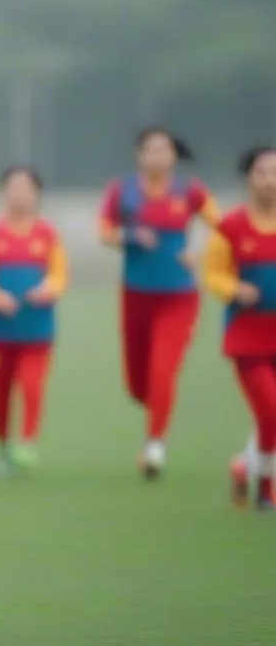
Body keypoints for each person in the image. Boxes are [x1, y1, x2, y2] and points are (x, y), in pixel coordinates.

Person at [99, 127, 220, 478]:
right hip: (136, 295)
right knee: (139, 384)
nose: (156, 156)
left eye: (163, 150)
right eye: (149, 150)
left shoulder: (191, 191)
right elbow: (104, 230)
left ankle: (154, 445)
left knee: (163, 370)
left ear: (174, 156)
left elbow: (224, 227)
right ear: (139, 155)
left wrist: (200, 252)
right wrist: (131, 235)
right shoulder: (122, 192)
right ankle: (159, 408)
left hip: (180, 297)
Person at [0, 166, 68, 471]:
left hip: (37, 329)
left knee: (32, 384)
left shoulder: (47, 233)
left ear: (37, 194)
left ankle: (27, 441)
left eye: (26, 188)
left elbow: (60, 274)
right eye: (13, 187)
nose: (20, 194)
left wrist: (47, 289)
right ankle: (3, 445)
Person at [202, 147, 276, 510]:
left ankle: (243, 465)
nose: (270, 180)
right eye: (263, 172)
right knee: (270, 412)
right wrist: (234, 289)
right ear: (248, 177)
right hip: (248, 336)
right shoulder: (230, 227)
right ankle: (265, 486)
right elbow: (212, 272)